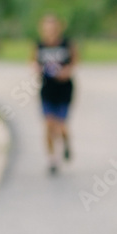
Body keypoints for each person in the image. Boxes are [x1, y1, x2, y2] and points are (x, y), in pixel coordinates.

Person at [33, 13, 77, 175]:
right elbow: (33, 62)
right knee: (48, 125)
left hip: (64, 90)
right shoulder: (40, 46)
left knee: (61, 127)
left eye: (52, 26)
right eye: (47, 27)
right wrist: (36, 68)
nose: (50, 30)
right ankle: (52, 159)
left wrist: (66, 71)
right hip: (47, 90)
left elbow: (74, 62)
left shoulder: (67, 44)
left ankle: (66, 143)